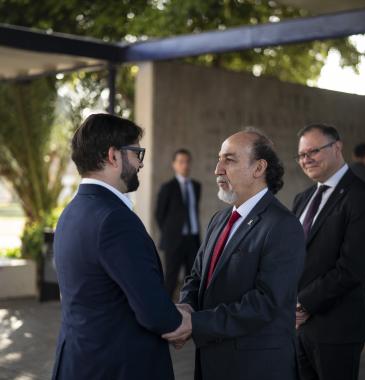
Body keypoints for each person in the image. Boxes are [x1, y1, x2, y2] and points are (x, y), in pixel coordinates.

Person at [51, 113, 188, 380]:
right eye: (137, 152)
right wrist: (181, 321)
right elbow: (154, 313)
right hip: (117, 366)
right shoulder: (114, 219)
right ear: (114, 156)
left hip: (79, 361)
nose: (140, 163)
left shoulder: (72, 211)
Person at [163, 129, 305, 380]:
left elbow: (265, 303)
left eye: (229, 160)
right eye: (219, 159)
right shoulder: (220, 219)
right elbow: (197, 276)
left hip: (256, 367)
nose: (218, 169)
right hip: (212, 362)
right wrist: (187, 307)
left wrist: (195, 324)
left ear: (259, 168)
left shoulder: (283, 225)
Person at [293, 124, 365, 380]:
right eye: (301, 155)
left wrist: (303, 303)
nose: (306, 159)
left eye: (313, 151)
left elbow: (352, 268)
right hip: (297, 328)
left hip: (337, 328)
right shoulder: (302, 198)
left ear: (337, 147)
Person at [155, 149, 201, 298]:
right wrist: (170, 233)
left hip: (193, 239)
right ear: (174, 165)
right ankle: (165, 313)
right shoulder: (167, 187)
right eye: (181, 162)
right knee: (171, 278)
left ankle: (189, 310)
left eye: (187, 161)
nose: (185, 165)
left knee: (193, 278)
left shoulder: (196, 186)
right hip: (174, 240)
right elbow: (159, 215)